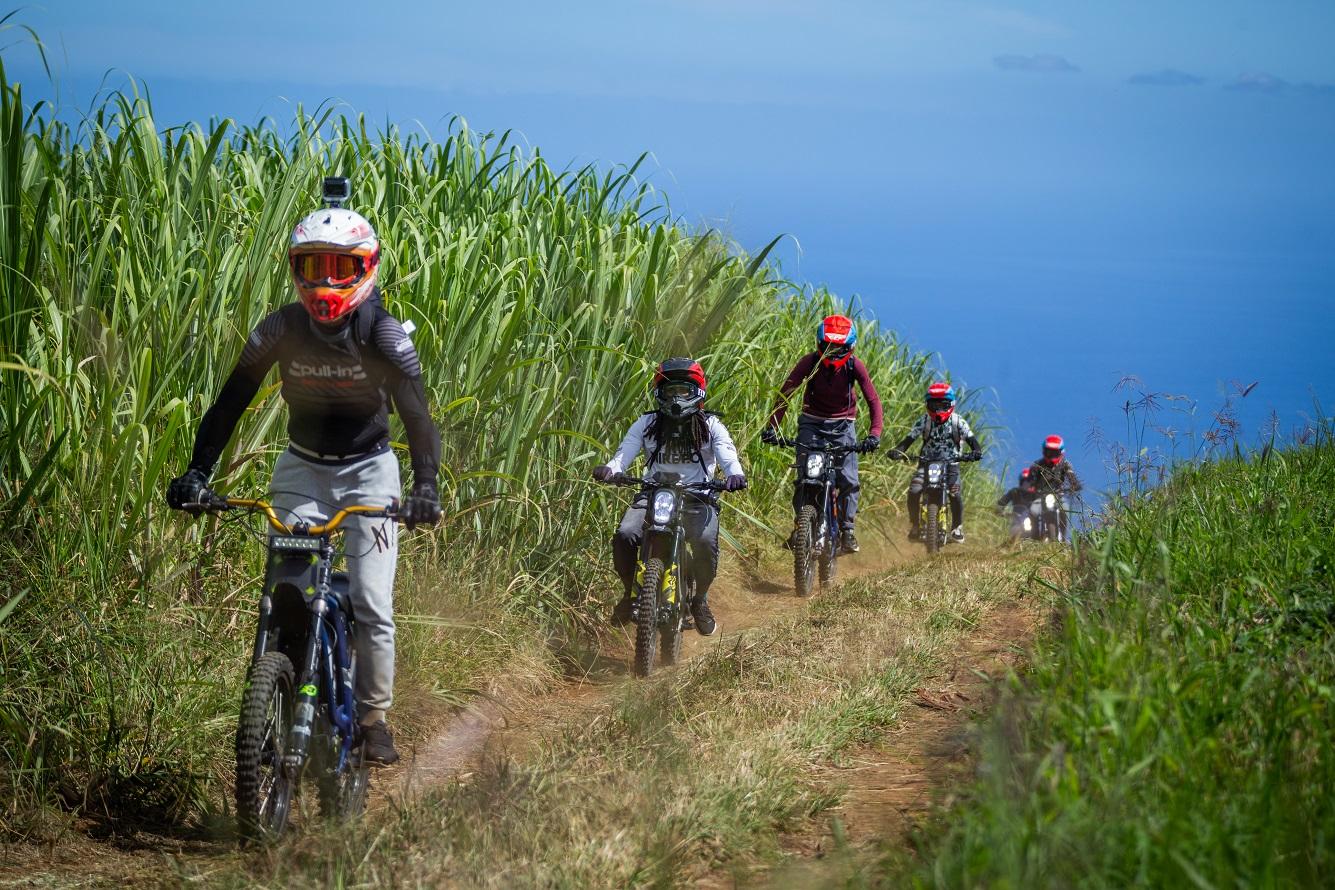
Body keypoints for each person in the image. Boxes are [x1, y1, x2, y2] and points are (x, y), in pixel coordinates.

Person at [165, 195, 442, 766]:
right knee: (284, 590)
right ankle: (281, 684)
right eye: (313, 265)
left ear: (367, 267)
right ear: (294, 268)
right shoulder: (279, 330)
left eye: (341, 267)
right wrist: (198, 470)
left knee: (370, 601)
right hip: (301, 468)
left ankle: (373, 718)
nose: (326, 281)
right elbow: (230, 402)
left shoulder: (383, 334)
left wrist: (425, 486)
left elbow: (416, 415)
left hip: (370, 470)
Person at [592, 358, 746, 636]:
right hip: (654, 493)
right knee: (626, 533)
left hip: (698, 497)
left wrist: (735, 474)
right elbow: (623, 454)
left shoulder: (711, 426)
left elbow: (727, 455)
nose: (676, 398)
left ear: (697, 392)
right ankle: (629, 595)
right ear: (659, 393)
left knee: (703, 541)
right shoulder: (647, 423)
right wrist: (611, 470)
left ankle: (699, 600)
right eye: (670, 391)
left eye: (683, 391)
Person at [761, 314, 883, 554]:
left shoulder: (854, 365)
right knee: (805, 478)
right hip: (812, 424)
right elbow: (786, 393)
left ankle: (847, 531)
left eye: (839, 347)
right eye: (828, 346)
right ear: (819, 344)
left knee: (848, 479)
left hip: (843, 426)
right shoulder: (809, 362)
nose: (833, 352)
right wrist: (772, 427)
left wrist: (874, 434)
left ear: (850, 347)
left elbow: (873, 399)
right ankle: (801, 526)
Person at [887, 381, 983, 543]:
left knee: (955, 493)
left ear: (951, 405)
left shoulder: (958, 422)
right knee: (914, 491)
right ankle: (915, 525)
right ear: (927, 405)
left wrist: (975, 452)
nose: (938, 410)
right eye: (934, 405)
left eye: (943, 405)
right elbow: (908, 440)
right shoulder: (924, 421)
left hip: (951, 465)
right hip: (925, 464)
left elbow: (973, 441)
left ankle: (957, 527)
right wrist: (898, 451)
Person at [1026, 435, 1082, 540]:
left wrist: (1074, 486)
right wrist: (1030, 488)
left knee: (1065, 511)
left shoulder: (1065, 465)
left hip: (1058, 496)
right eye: (1048, 452)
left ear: (1061, 452)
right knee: (1033, 511)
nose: (1051, 455)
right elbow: (1029, 481)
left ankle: (1063, 538)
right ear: (1044, 451)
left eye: (1054, 452)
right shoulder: (1037, 465)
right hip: (1040, 497)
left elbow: (1072, 477)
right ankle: (1034, 536)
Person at [996, 467, 1037, 540]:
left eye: (1030, 481)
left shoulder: (1035, 495)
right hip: (1017, 520)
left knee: (1040, 533)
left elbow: (1044, 505)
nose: (1028, 483)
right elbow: (1002, 502)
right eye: (1026, 481)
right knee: (1013, 532)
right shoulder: (1014, 492)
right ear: (1021, 481)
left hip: (1032, 522)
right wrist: (1000, 510)